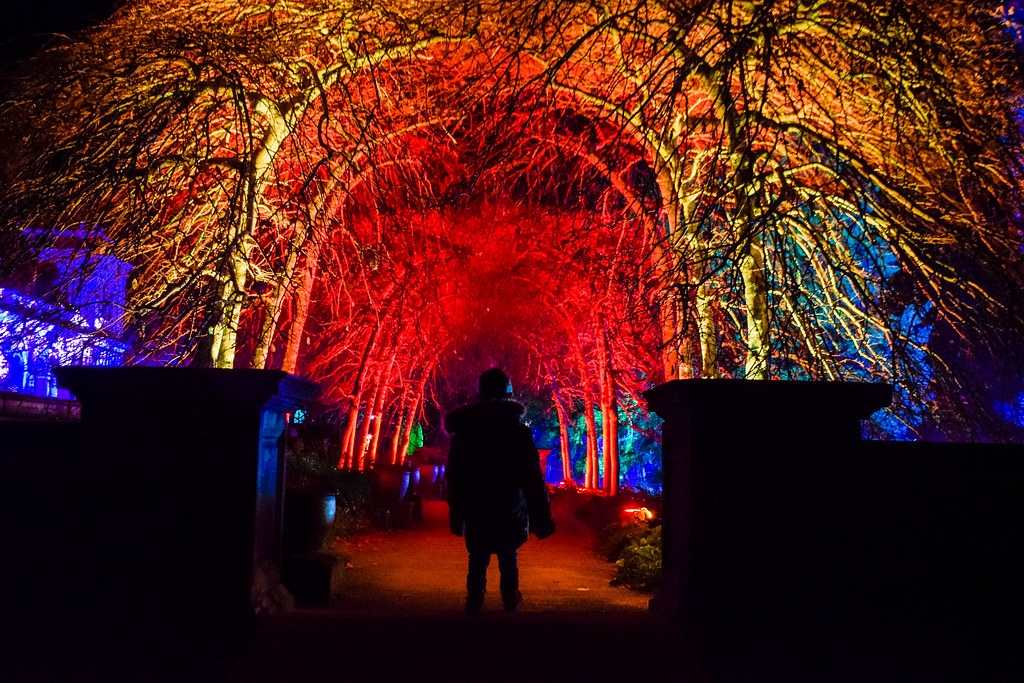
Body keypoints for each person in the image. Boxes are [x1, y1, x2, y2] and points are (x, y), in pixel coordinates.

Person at [444, 368, 555, 615]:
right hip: (509, 505)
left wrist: (456, 515)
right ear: (508, 394)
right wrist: (542, 518)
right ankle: (509, 596)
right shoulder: (518, 433)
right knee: (508, 553)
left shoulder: (465, 432)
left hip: (477, 506)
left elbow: (455, 476)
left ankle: (474, 597)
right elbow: (532, 478)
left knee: (478, 555)